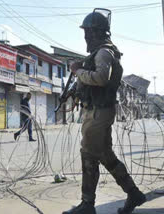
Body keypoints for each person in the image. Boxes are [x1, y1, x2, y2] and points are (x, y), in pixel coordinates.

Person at [62, 9, 146, 214]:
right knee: (105, 155)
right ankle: (133, 193)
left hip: (99, 113)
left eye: (88, 32)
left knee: (88, 153)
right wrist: (73, 90)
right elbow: (90, 81)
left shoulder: (104, 52)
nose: (85, 37)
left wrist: (77, 71)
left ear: (97, 33)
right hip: (96, 111)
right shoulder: (97, 53)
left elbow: (100, 78)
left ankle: (87, 204)